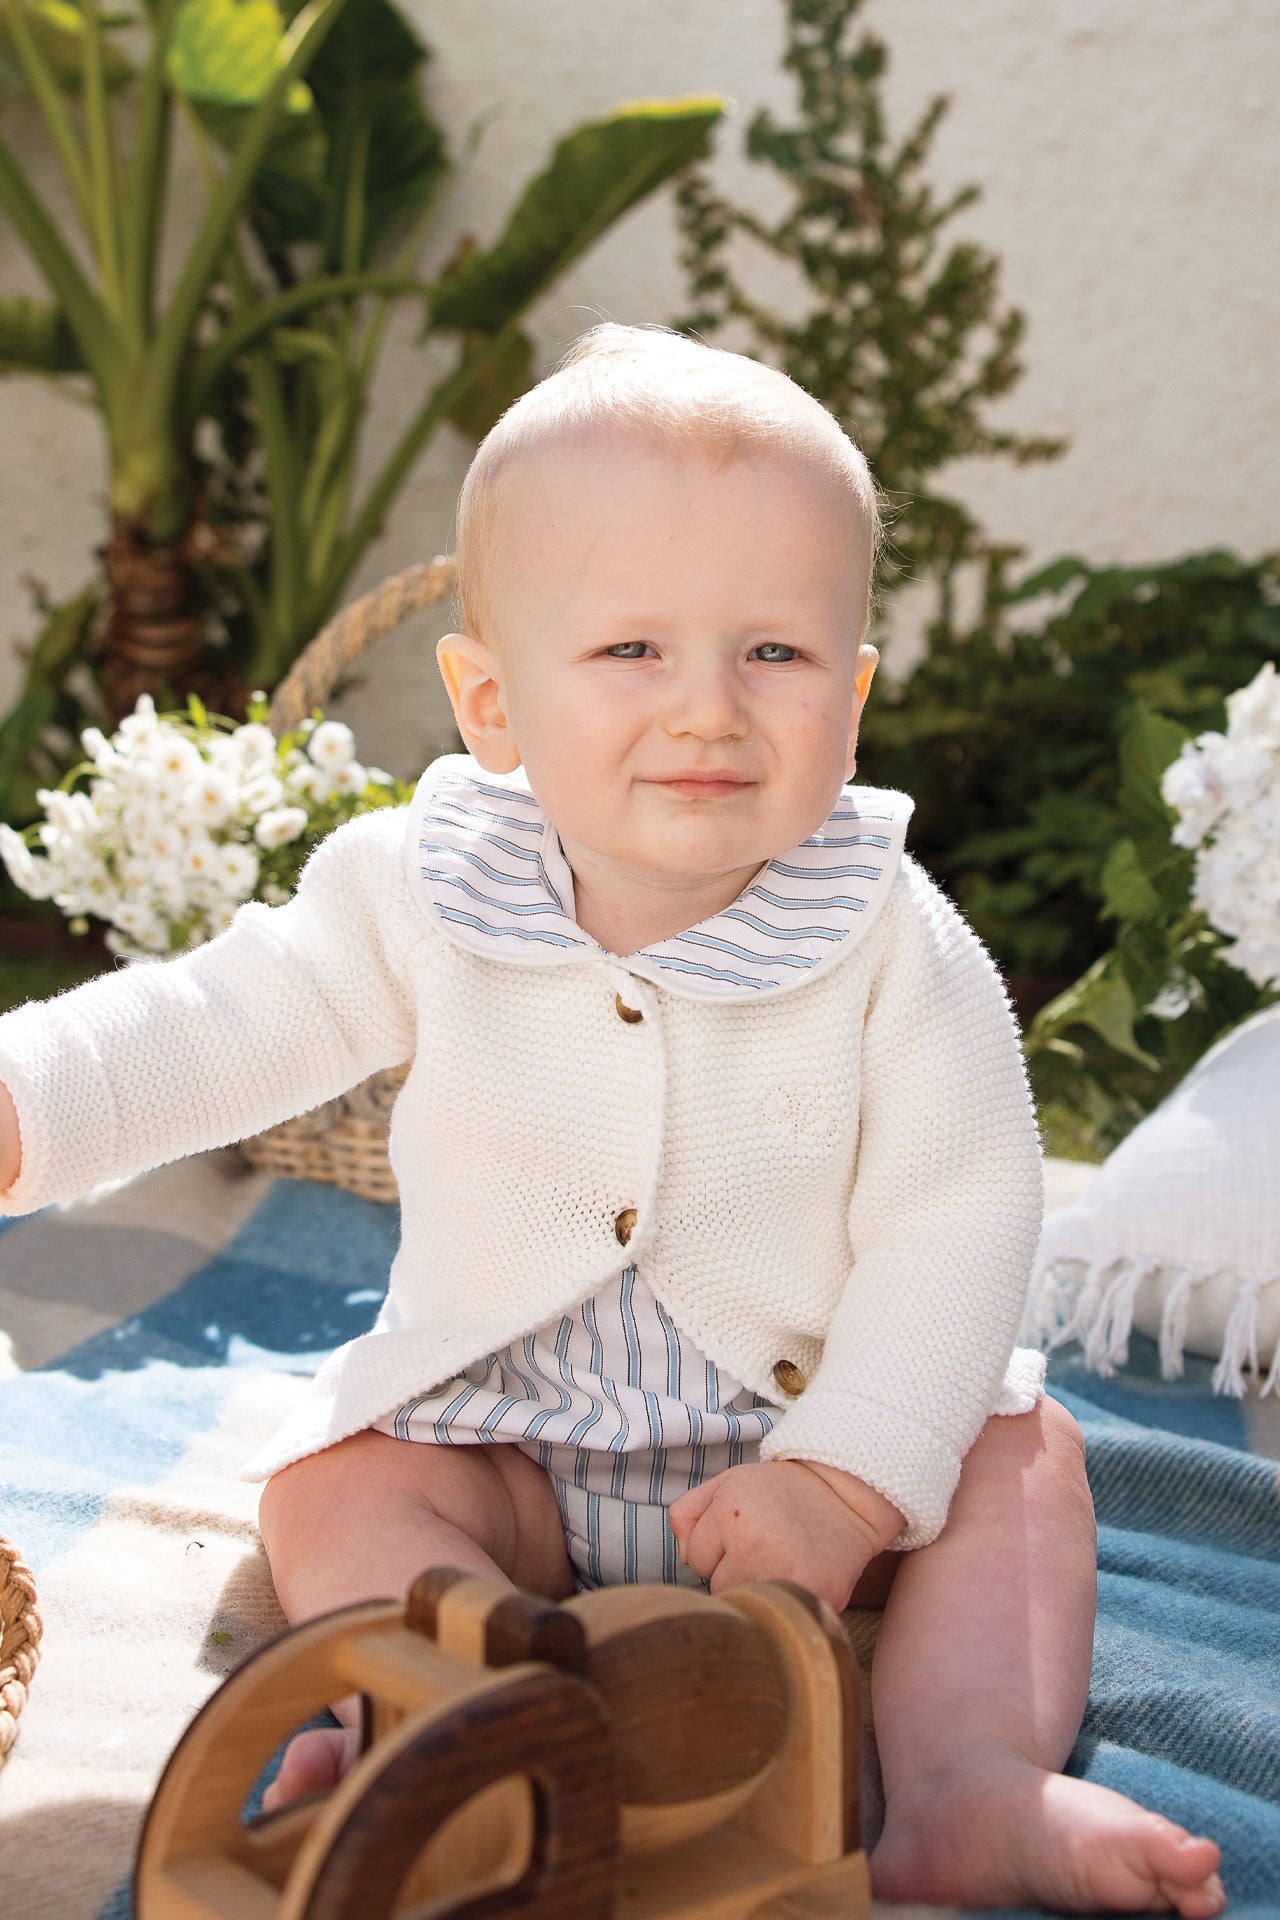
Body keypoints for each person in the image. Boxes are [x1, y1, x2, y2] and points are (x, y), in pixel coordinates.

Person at [0, 326, 1224, 1914]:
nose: (708, 708)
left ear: (851, 698)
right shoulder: (423, 886)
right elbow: (230, 1021)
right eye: (632, 652)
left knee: (1026, 1463)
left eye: (775, 654)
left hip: (822, 1424)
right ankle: (429, 1712)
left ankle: (961, 1778)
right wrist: (31, 1100)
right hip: (514, 1438)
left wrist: (849, 1487)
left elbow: (964, 1215)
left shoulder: (890, 940)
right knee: (333, 1488)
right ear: (492, 704)